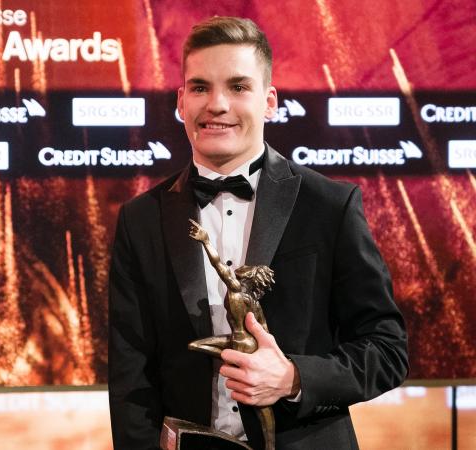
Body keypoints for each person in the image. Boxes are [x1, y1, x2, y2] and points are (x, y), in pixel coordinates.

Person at [108, 16, 408, 449]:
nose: (217, 104)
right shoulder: (140, 219)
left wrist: (293, 378)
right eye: (200, 88)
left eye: (238, 86)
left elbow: (387, 348)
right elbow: (129, 374)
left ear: (269, 101)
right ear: (180, 101)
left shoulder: (329, 206)